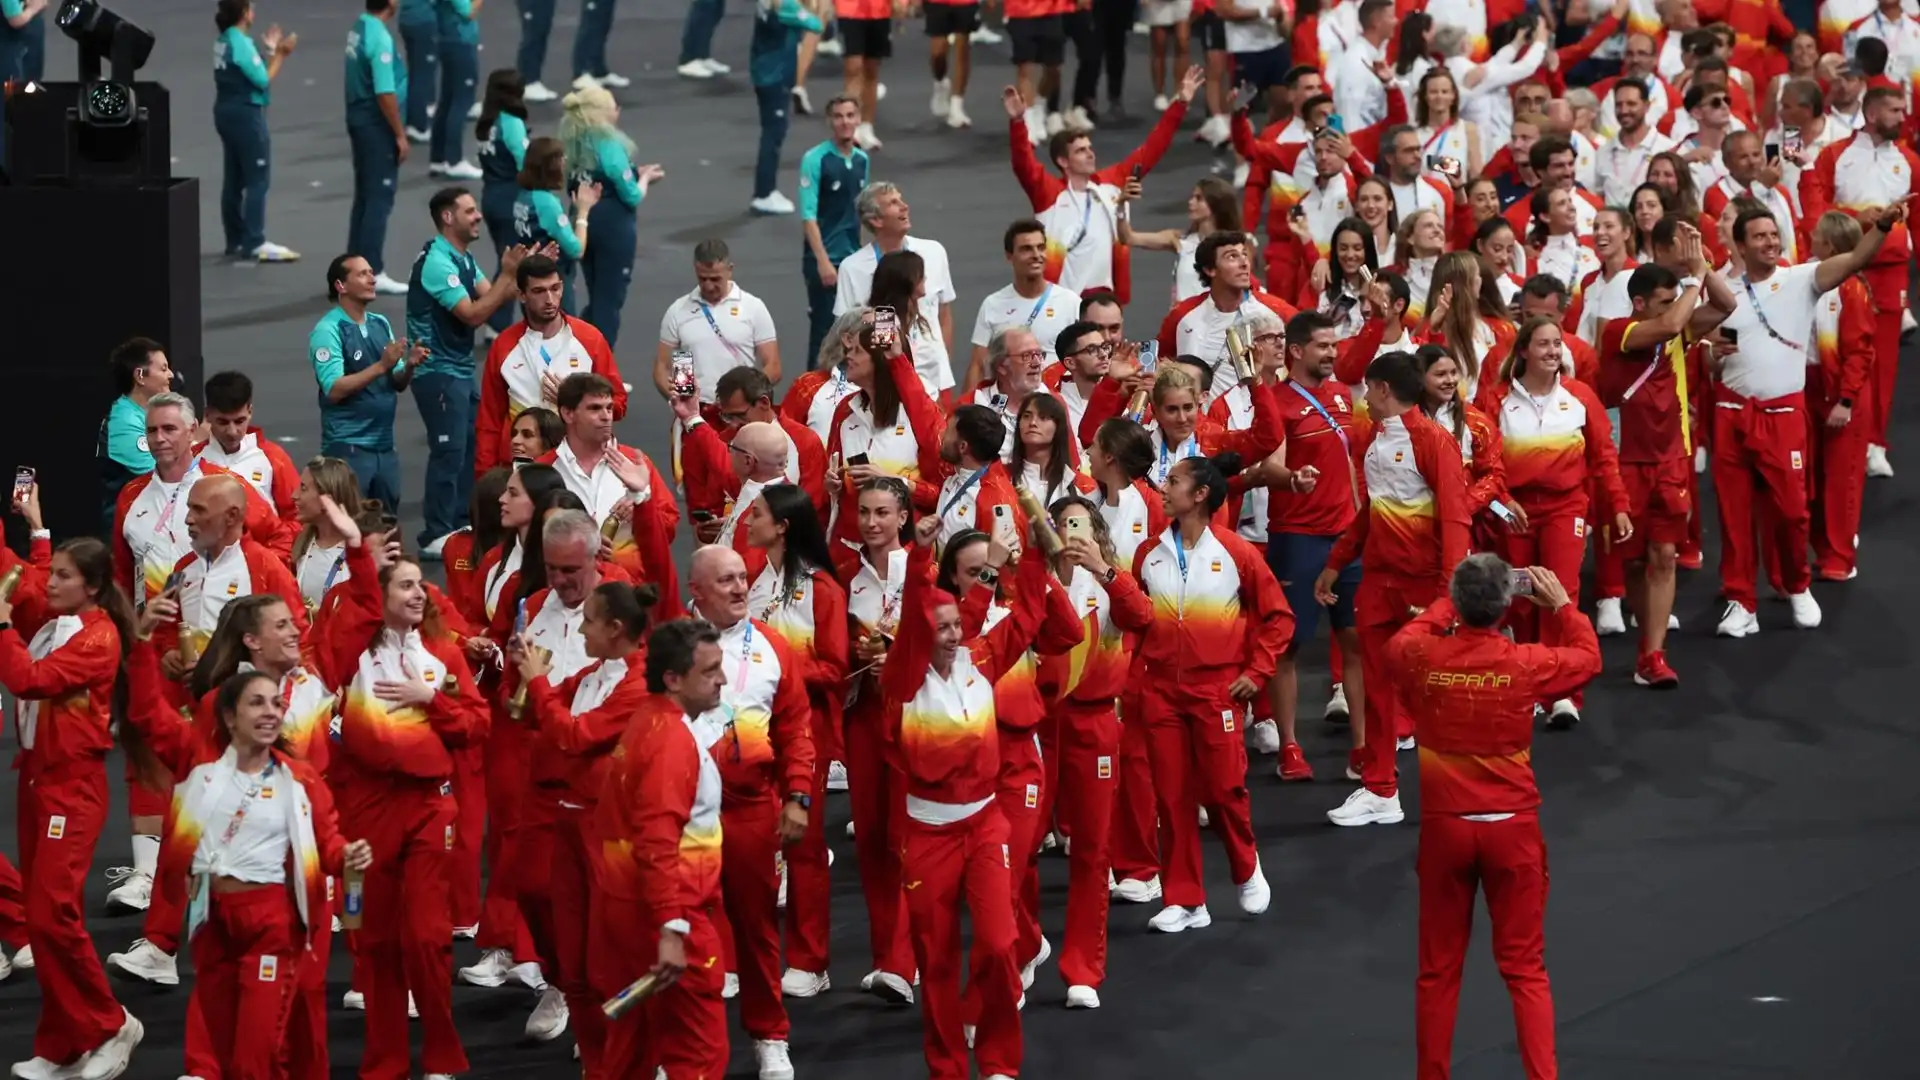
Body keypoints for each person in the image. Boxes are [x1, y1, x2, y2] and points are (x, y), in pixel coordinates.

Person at [1390, 555, 1600, 1080]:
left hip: (1446, 830)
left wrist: (1448, 600)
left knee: (1438, 971)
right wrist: (1563, 607)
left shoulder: (1419, 654)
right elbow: (1588, 658)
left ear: (1458, 605)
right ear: (1508, 606)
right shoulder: (1526, 664)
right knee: (1525, 970)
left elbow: (1403, 638)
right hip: (1512, 832)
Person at [883, 512, 1051, 1080]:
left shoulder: (981, 659)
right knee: (935, 958)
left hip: (984, 826)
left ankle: (1000, 1062)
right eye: (943, 627)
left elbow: (1026, 616)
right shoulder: (902, 681)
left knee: (1001, 943)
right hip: (928, 834)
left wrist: (1031, 556)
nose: (954, 634)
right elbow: (914, 616)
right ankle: (948, 1068)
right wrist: (919, 556)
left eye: (959, 625)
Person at [322, 500, 482, 1080]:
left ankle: (442, 1051)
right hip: (365, 810)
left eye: (422, 585)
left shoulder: (441, 657)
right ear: (380, 595)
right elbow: (355, 603)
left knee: (427, 938)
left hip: (427, 806)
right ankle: (385, 1060)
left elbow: (476, 725)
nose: (420, 594)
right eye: (407, 586)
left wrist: (430, 701)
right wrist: (355, 552)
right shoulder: (351, 656)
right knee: (376, 942)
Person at [1108, 452, 1285, 931]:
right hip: (1162, 689)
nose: (1164, 489)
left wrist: (1258, 670)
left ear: (1201, 494)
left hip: (1216, 688)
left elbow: (1277, 617)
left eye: (1174, 481)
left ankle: (1246, 866)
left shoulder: (1236, 552)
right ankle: (1186, 899)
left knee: (1224, 788)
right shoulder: (1149, 554)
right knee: (1171, 795)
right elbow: (1135, 621)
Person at [1710, 202, 1895, 634]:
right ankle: (1741, 601)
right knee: (1734, 514)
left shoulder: (1801, 279)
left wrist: (1882, 226)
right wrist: (1712, 358)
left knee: (1793, 511)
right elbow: (1711, 360)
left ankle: (1797, 586)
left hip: (1783, 413)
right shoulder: (1721, 293)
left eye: (1773, 235)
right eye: (1759, 236)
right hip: (1732, 412)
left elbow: (1854, 259)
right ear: (1741, 244)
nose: (1770, 242)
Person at [0, 537, 146, 1080]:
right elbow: (23, 576)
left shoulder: (98, 637)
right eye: (53, 573)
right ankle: (63, 1041)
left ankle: (111, 1024)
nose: (52, 583)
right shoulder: (53, 621)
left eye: (64, 576)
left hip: (73, 789)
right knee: (43, 923)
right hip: (37, 781)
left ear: (91, 585)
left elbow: (29, 680)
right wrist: (36, 534)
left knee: (52, 914)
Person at [680, 546, 815, 1080]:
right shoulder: (672, 646)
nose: (740, 588)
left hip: (750, 808)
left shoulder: (773, 646)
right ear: (697, 591)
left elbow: (797, 730)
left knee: (757, 927)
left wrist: (798, 796)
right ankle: (682, 1047)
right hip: (686, 815)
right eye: (726, 581)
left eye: (743, 578)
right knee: (682, 930)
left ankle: (769, 1035)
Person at [1321, 350, 1471, 828]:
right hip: (1378, 581)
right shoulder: (1375, 440)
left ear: (1383, 389)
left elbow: (1455, 516)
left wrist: (1449, 593)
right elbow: (1373, 510)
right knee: (1377, 687)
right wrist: (1337, 561)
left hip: (1424, 586)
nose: (1364, 397)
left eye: (1368, 389)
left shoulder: (1433, 441)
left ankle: (1464, 790)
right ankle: (1380, 790)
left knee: (1436, 691)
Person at [516, 578, 656, 1075]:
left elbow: (574, 735)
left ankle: (633, 1062)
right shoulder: (594, 674)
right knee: (574, 966)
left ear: (616, 629)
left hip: (610, 835)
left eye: (590, 621)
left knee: (612, 965)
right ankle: (597, 1064)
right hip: (570, 826)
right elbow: (543, 715)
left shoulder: (639, 684)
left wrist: (536, 683)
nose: (580, 627)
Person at [592, 617, 730, 1079]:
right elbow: (657, 841)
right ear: (673, 678)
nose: (722, 680)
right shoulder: (672, 741)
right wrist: (671, 930)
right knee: (699, 1053)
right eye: (710, 671)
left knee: (630, 1049)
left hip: (627, 908)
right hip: (672, 915)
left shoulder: (646, 720)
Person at [1476, 315, 1630, 728]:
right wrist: (1504, 505)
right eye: (1543, 344)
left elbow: (1603, 457)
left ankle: (1564, 694)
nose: (1551, 352)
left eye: (1556, 344)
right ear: (1523, 350)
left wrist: (1618, 506)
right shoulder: (1495, 400)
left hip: (1566, 508)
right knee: (1522, 599)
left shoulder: (1580, 396)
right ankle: (1529, 686)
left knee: (1561, 593)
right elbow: (1481, 464)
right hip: (1516, 510)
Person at [738, 485, 847, 1004]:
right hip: (752, 730)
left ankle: (810, 959)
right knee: (751, 846)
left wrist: (778, 668)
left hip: (807, 733)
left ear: (782, 526)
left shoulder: (822, 588)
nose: (747, 521)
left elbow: (835, 666)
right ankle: (744, 956)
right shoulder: (756, 581)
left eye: (756, 514)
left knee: (802, 848)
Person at [1596, 254, 1715, 686]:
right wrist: (1694, 282)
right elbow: (1667, 325)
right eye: (1663, 301)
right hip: (1625, 460)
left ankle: (1652, 655)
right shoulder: (1618, 331)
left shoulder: (1674, 329)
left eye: (1674, 300)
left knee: (1665, 554)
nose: (1673, 309)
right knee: (1631, 561)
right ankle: (1647, 640)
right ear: (1640, 303)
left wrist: (1704, 267)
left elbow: (1725, 307)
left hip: (1668, 460)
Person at [1798, 86, 1920, 480]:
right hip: (1847, 269)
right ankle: (1836, 425)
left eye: (1904, 109)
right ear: (1870, 113)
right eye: (1895, 110)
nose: (1904, 116)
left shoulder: (1910, 161)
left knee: (1883, 362)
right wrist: (1861, 215)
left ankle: (1875, 443)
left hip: (1890, 274)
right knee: (1839, 351)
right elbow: (1816, 213)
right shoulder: (1834, 155)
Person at [1004, 67, 1200, 305]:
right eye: (1080, 151)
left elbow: (1152, 148)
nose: (1090, 154)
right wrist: (1017, 123)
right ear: (1062, 161)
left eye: (1089, 148)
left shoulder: (1113, 183)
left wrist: (1179, 104)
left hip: (1106, 299)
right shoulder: (1048, 194)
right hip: (1062, 301)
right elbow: (1023, 164)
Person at [405, 187, 532, 555]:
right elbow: (475, 314)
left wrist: (519, 274)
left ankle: (459, 518)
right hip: (437, 371)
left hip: (458, 369)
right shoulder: (438, 263)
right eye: (470, 211)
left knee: (470, 447)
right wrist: (508, 275)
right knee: (448, 450)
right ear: (448, 217)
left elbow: (494, 295)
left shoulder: (462, 257)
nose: (478, 216)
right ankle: (435, 532)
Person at [476, 253, 625, 475]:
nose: (550, 299)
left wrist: (571, 401)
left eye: (555, 289)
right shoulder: (504, 347)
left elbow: (618, 404)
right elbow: (489, 421)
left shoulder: (590, 340)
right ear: (521, 295)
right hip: (522, 464)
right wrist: (485, 477)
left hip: (578, 461)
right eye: (539, 291)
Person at [539, 372, 681, 594]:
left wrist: (643, 513)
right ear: (567, 413)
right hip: (562, 592)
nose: (606, 416)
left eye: (608, 408)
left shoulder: (637, 464)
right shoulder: (543, 469)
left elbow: (670, 527)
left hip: (631, 593)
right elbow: (524, 538)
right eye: (594, 408)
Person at [313, 255, 423, 508]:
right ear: (341, 285)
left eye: (372, 272)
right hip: (348, 448)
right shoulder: (328, 330)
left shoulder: (380, 323)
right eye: (362, 274)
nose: (372, 279)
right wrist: (382, 365)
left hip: (384, 447)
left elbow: (397, 383)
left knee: (387, 525)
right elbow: (334, 389)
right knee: (350, 525)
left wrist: (409, 366)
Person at [560, 86, 666, 349]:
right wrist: (642, 179)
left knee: (597, 293)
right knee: (609, 300)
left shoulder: (573, 141)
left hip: (582, 220)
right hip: (613, 226)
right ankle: (599, 371)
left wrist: (631, 172)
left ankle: (579, 354)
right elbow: (631, 195)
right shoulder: (609, 144)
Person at [832, 182, 959, 398]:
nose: (904, 206)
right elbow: (846, 330)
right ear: (876, 220)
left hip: (937, 380)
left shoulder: (934, 252)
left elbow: (944, 313)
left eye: (901, 199)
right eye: (893, 203)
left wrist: (942, 357)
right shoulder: (852, 267)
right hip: (888, 384)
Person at [213, 0, 299, 262]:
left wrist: (270, 49)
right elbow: (262, 79)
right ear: (244, 13)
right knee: (257, 178)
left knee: (234, 178)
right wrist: (282, 53)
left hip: (226, 111)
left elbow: (251, 68)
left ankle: (235, 239)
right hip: (245, 114)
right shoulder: (240, 42)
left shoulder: (225, 40)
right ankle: (255, 240)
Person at [656, 240, 783, 402]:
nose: (708, 286)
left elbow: (773, 366)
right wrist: (677, 398)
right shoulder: (678, 310)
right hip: (695, 409)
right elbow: (661, 366)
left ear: (730, 270)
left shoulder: (753, 307)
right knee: (682, 356)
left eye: (715, 279)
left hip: (739, 410)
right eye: (702, 279)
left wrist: (746, 394)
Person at [799, 96, 872, 366]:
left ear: (858, 119)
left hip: (851, 260)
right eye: (839, 116)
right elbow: (808, 216)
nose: (845, 121)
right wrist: (823, 262)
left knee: (853, 331)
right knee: (824, 332)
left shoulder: (862, 159)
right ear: (830, 121)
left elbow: (860, 214)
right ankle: (811, 398)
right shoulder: (815, 159)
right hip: (825, 260)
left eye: (850, 115)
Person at [346, 0, 411, 294]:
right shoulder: (380, 37)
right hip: (376, 125)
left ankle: (352, 267)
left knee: (364, 196)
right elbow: (385, 92)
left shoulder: (359, 28)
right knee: (378, 198)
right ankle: (371, 268)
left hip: (359, 118)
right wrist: (399, 133)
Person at [198, 371, 303, 529]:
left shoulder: (274, 458)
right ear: (207, 415)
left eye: (239, 421)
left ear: (250, 412)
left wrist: (275, 552)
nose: (232, 431)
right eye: (223, 422)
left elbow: (298, 515)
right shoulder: (192, 459)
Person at [1118, 175, 1240, 307]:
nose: (1190, 202)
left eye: (1198, 198)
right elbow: (1129, 238)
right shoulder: (1179, 239)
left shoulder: (1233, 247)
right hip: (1182, 322)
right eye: (1192, 197)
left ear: (1215, 205)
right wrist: (1121, 205)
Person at [751, 0, 825, 216]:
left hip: (763, 70)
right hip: (775, 75)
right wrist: (817, 8)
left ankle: (765, 191)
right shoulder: (787, 6)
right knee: (773, 133)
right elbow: (816, 25)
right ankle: (764, 193)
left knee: (772, 131)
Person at [512, 137, 601, 314]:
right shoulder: (547, 203)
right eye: (561, 159)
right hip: (549, 281)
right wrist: (583, 211)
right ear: (551, 167)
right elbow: (576, 249)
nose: (564, 164)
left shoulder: (522, 196)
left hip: (530, 279)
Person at [95, 338, 174, 532]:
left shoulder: (153, 415)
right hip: (130, 533)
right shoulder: (122, 421)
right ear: (140, 376)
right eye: (163, 369)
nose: (171, 375)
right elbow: (161, 475)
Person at [477, 69, 533, 327]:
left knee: (507, 261)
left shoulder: (488, 122)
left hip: (490, 195)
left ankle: (496, 320)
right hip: (510, 199)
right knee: (512, 265)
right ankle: (496, 322)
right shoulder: (511, 123)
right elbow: (525, 163)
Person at [428, 0, 482, 179]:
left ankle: (438, 158)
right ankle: (454, 160)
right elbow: (468, 11)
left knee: (447, 99)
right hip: (461, 41)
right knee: (461, 102)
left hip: (448, 39)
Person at [396, 0, 438, 141]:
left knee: (417, 72)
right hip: (422, 20)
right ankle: (418, 125)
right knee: (422, 75)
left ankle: (419, 114)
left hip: (408, 18)